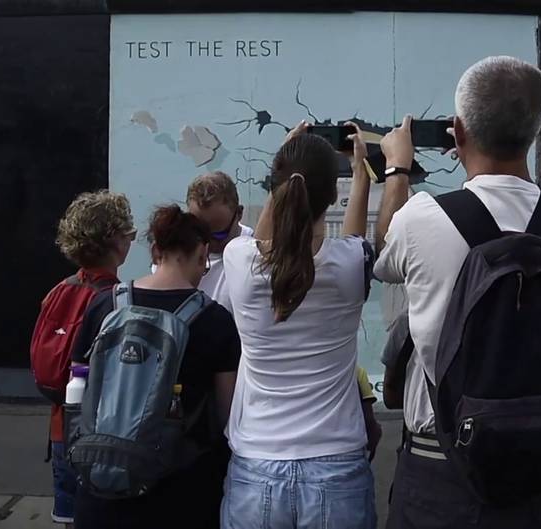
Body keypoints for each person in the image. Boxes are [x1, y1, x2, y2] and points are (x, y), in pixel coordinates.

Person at [373, 57, 541, 528]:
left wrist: (397, 169)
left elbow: (383, 259)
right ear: (534, 131)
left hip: (441, 469)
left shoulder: (421, 219)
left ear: (457, 134)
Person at [221, 123, 376, 528]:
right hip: (336, 463)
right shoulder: (348, 266)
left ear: (276, 190)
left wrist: (285, 173)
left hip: (257, 464)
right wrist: (360, 175)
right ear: (332, 195)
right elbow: (354, 242)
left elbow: (270, 245)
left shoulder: (238, 260)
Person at [71, 204, 241, 529]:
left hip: (101, 477)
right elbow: (225, 412)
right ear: (203, 253)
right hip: (182, 488)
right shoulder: (215, 320)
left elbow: (78, 383)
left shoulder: (106, 304)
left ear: (155, 249)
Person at [36, 190, 136, 528]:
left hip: (61, 426)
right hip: (97, 432)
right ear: (115, 241)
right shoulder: (117, 301)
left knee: (68, 517)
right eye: (129, 234)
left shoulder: (59, 290)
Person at [151, 171, 253, 312]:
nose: (206, 244)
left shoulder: (255, 254)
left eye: (218, 235)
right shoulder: (173, 256)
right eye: (198, 231)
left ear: (239, 213)